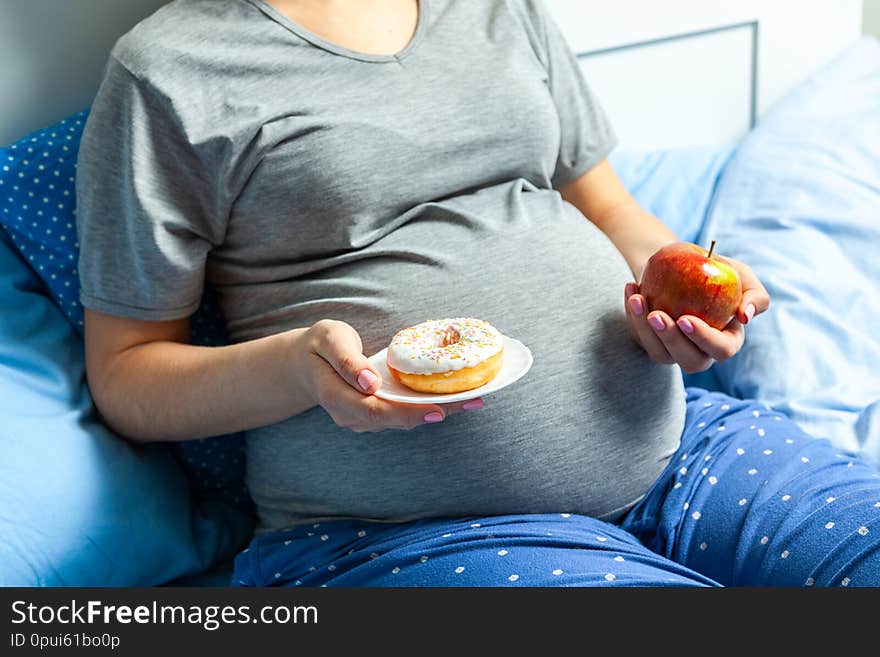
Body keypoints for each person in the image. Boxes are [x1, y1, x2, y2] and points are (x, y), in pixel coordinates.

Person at [76, 0, 880, 586]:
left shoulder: (497, 6)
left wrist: (691, 303)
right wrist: (296, 370)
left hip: (680, 448)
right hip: (400, 537)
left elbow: (609, 209)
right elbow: (127, 375)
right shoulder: (169, 69)